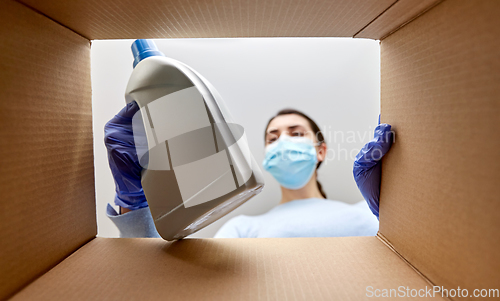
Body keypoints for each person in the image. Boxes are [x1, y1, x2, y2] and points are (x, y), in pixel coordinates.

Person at [104, 102, 393, 238]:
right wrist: (135, 205)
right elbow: (161, 285)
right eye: (273, 138)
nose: (282, 143)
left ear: (321, 150)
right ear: (266, 155)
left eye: (295, 133)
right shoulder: (242, 230)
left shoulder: (366, 211)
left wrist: (395, 206)